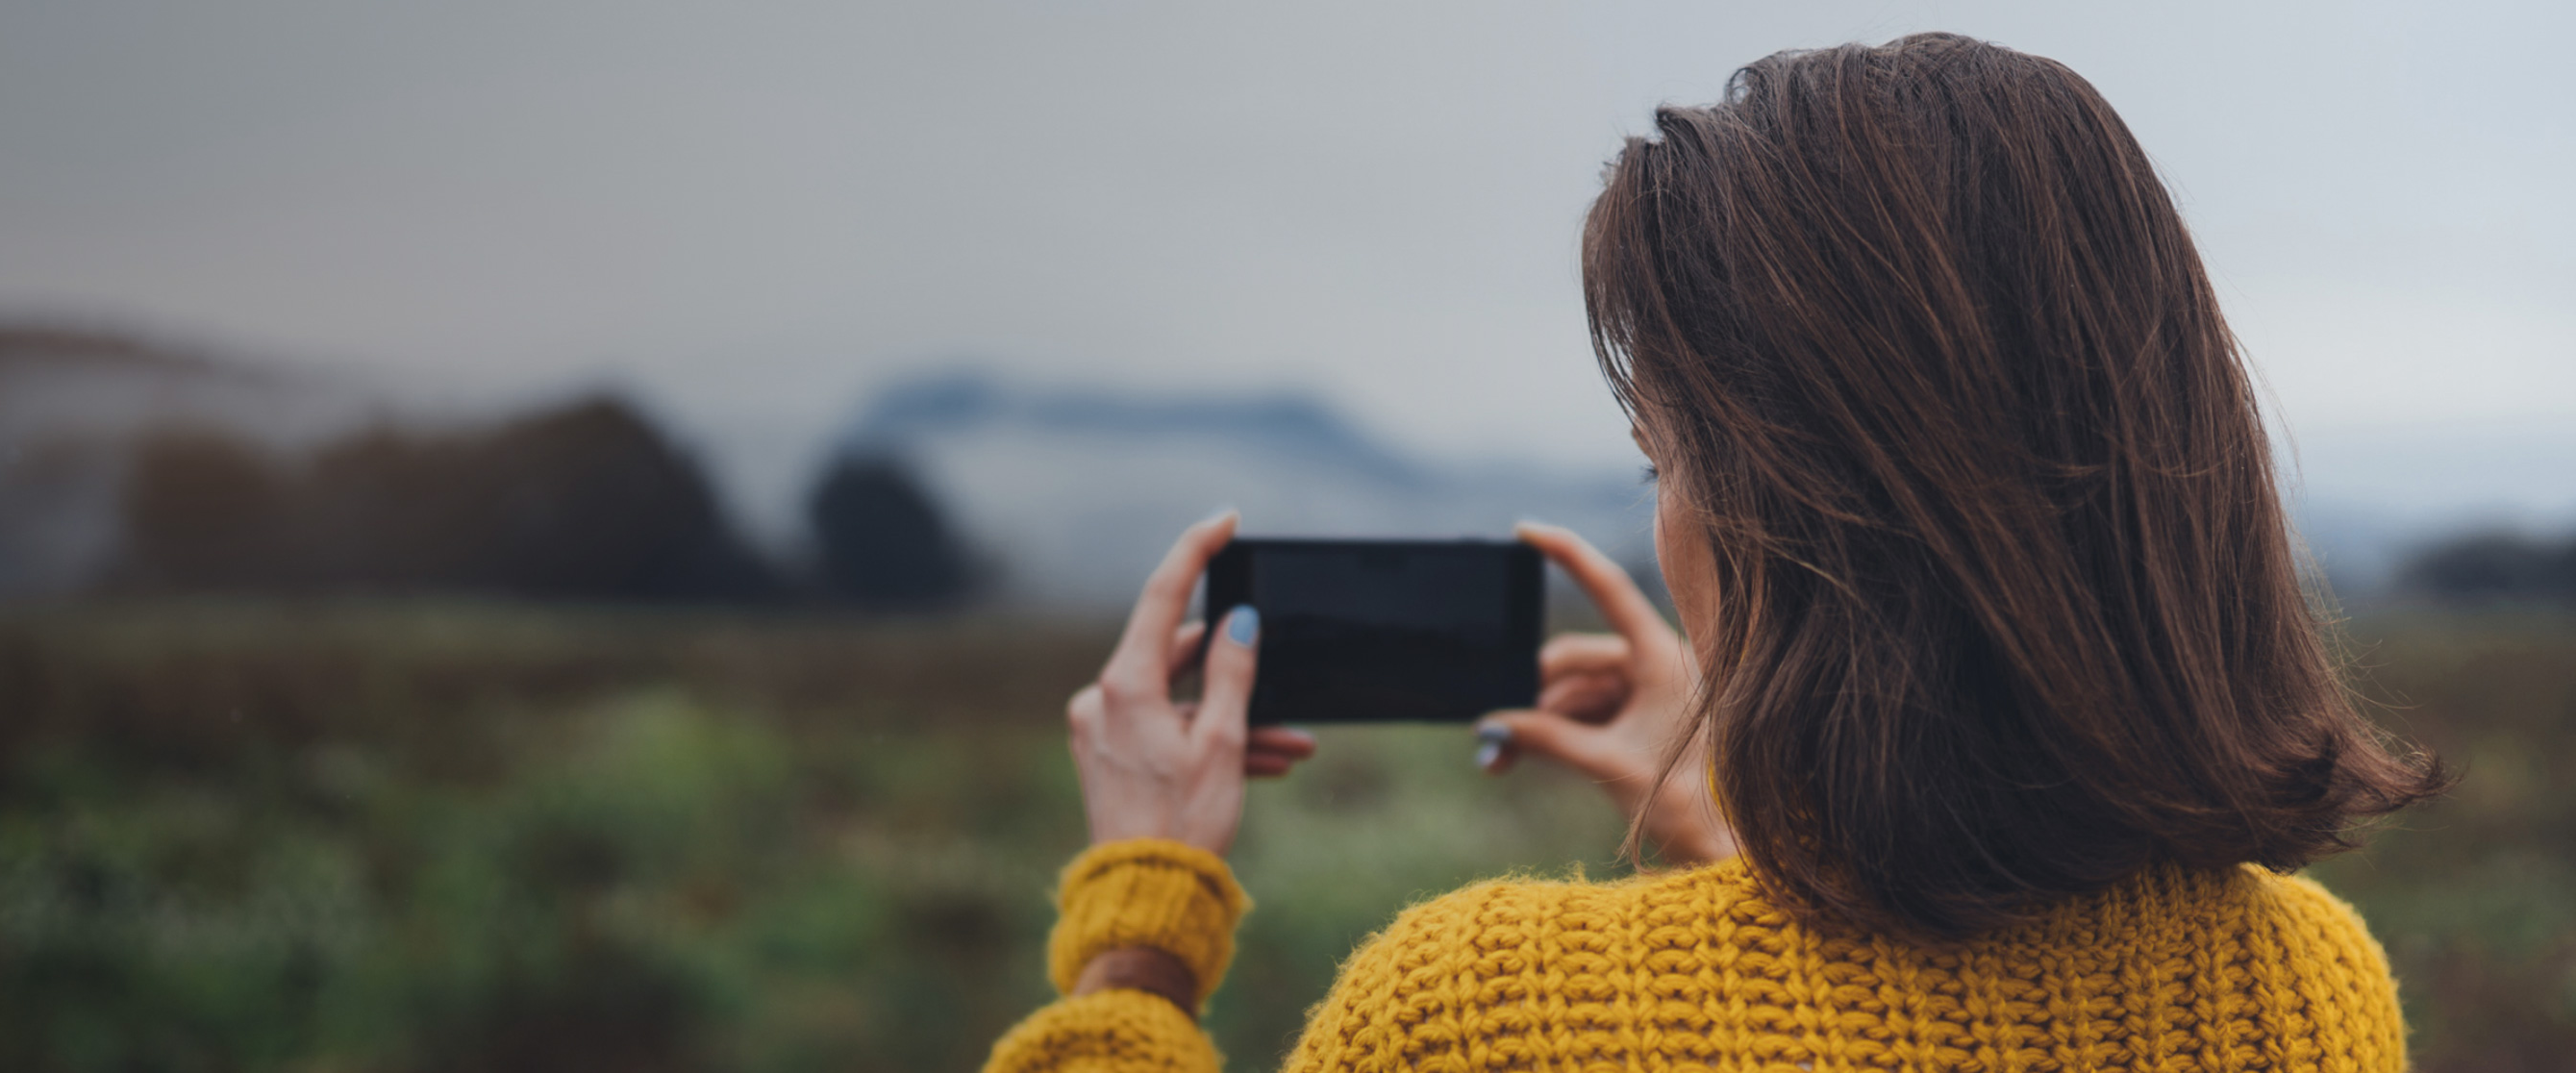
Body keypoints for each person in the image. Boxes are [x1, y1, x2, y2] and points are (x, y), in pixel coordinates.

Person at [983, 32, 2443, 1073]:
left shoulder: (1481, 1016)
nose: (1662, 515)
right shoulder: (2303, 992)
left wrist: (1142, 915)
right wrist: (1757, 835)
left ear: (1795, 518)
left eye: (1664, 459)